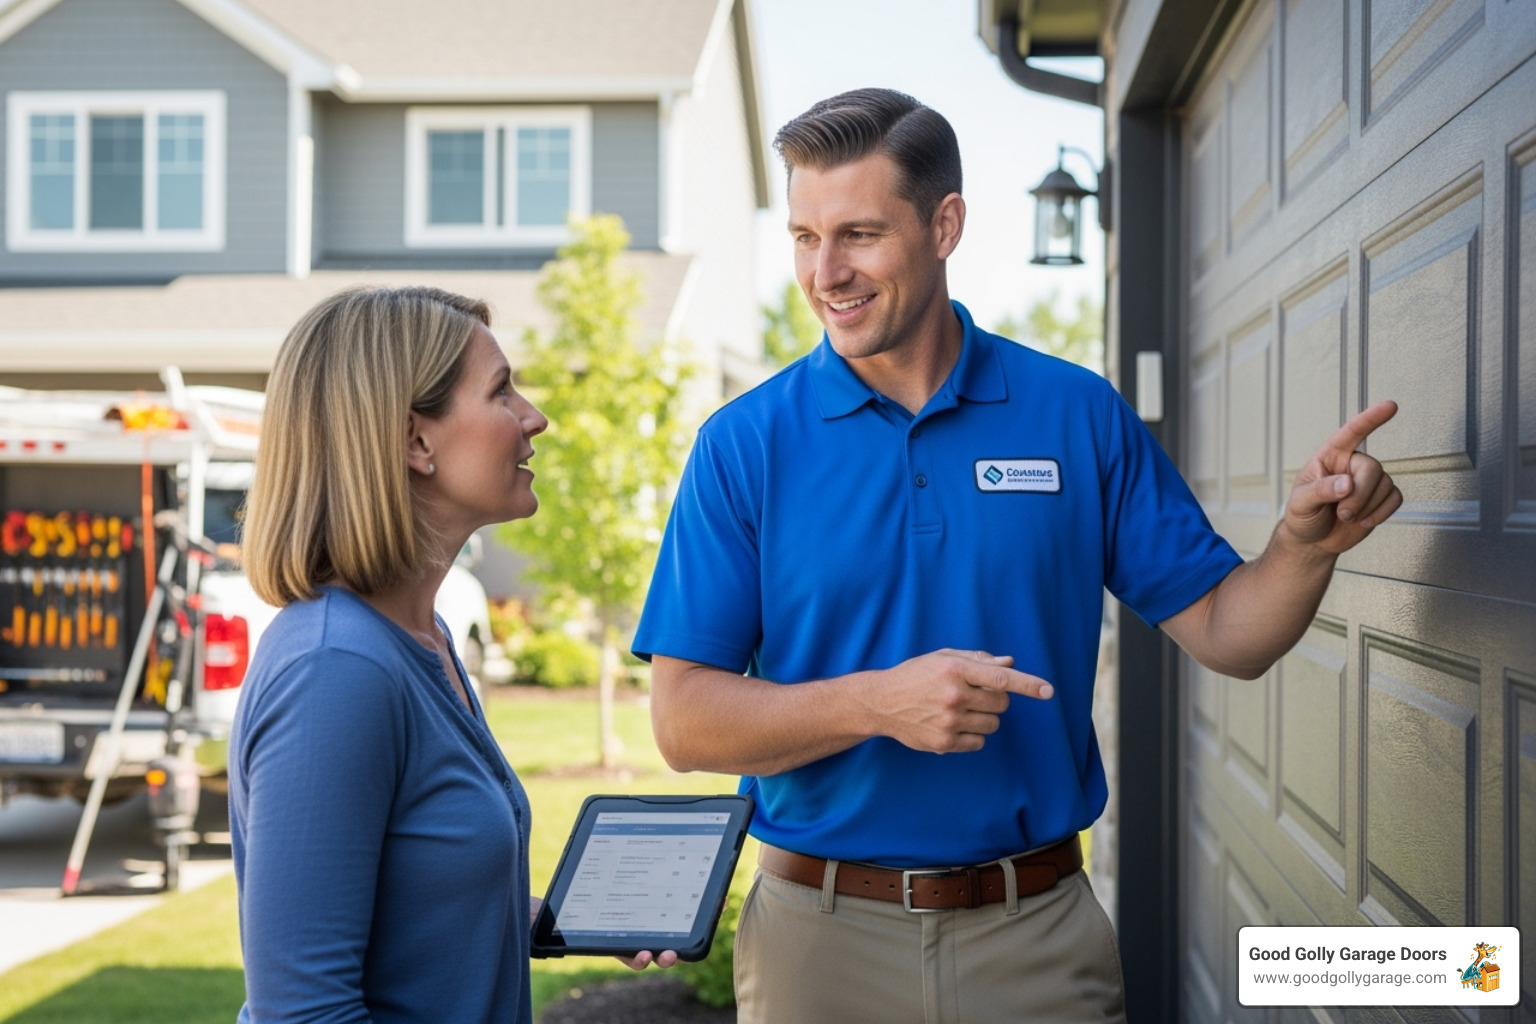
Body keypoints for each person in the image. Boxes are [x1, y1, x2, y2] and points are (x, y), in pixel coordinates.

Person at [632, 89, 1403, 1023]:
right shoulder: (743, 445)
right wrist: (880, 702)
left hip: (1036, 938)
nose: (825, 271)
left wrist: (1301, 547)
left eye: (860, 234)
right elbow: (682, 721)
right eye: (803, 237)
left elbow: (1231, 633)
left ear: (944, 223)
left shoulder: (1075, 415)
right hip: (818, 947)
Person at [231, 286, 674, 1024]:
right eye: (502, 391)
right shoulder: (335, 670)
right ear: (415, 441)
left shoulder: (423, 639)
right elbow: (302, 1012)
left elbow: (415, 905)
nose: (535, 417)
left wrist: (569, 915)